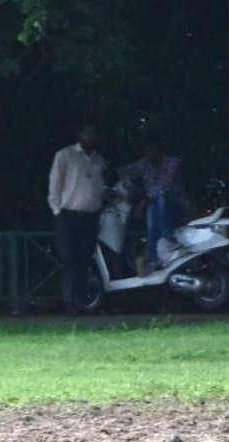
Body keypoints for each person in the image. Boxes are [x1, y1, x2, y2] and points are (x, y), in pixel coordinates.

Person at [48, 122, 107, 311]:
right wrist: (57, 211)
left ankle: (81, 301)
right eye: (86, 133)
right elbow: (55, 185)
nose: (90, 137)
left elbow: (100, 186)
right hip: (69, 214)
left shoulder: (99, 160)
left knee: (85, 259)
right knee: (70, 258)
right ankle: (69, 301)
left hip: (91, 216)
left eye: (93, 133)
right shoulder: (65, 155)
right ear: (80, 134)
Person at [118, 138, 185, 273]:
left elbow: (166, 187)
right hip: (155, 204)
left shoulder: (170, 163)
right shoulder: (144, 164)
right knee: (152, 220)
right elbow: (124, 172)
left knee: (160, 199)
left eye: (153, 150)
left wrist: (145, 200)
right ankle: (151, 256)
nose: (150, 154)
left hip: (173, 203)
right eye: (147, 151)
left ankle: (169, 239)